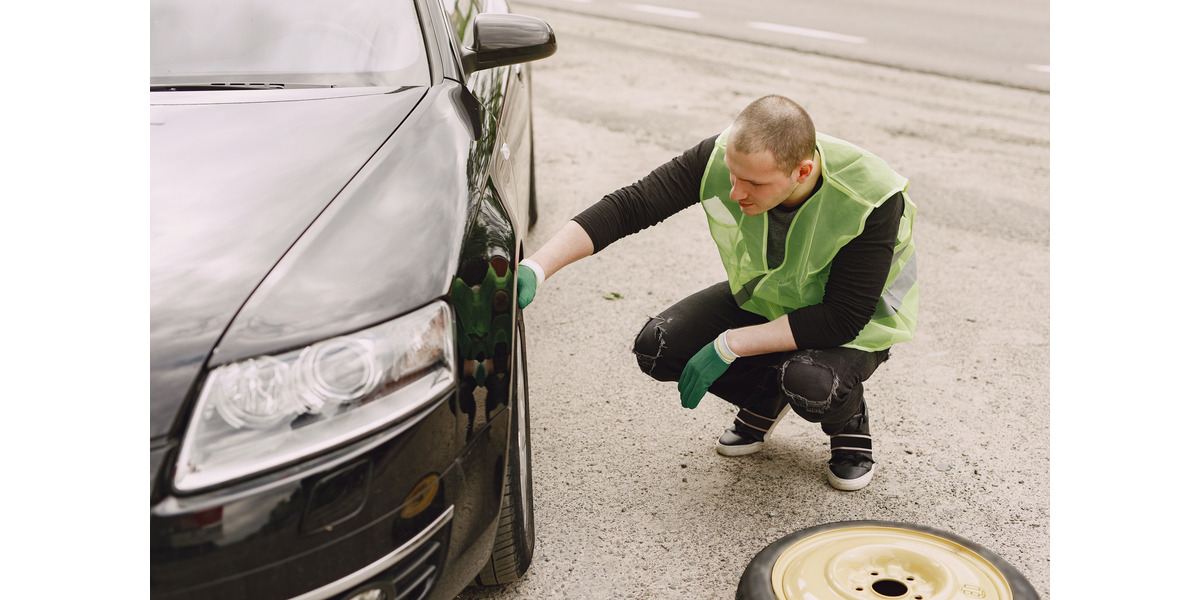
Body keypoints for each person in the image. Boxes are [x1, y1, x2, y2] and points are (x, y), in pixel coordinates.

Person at [516, 95, 917, 491]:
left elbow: (841, 317)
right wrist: (538, 266)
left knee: (812, 384)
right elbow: (630, 206)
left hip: (852, 327)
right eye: (732, 175)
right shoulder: (726, 155)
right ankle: (765, 399)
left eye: (754, 183)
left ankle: (847, 422)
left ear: (802, 170)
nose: (736, 192)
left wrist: (731, 344)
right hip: (770, 299)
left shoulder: (870, 196)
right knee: (658, 347)